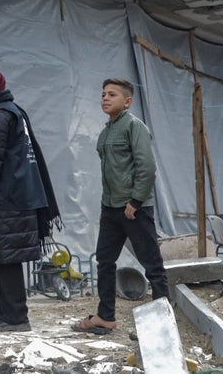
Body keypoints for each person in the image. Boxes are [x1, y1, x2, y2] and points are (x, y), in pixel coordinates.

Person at [0, 67, 60, 333]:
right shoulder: (10, 111)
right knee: (4, 257)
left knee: (7, 259)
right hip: (16, 197)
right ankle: (5, 314)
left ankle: (16, 318)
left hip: (6, 199)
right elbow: (2, 152)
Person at [72, 78, 169, 335]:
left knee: (152, 265)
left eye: (112, 94)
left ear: (127, 101)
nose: (105, 98)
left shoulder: (134, 127)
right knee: (104, 261)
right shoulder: (106, 132)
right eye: (103, 94)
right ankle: (105, 317)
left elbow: (147, 168)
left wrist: (135, 201)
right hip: (111, 208)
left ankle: (161, 324)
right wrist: (109, 206)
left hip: (134, 208)